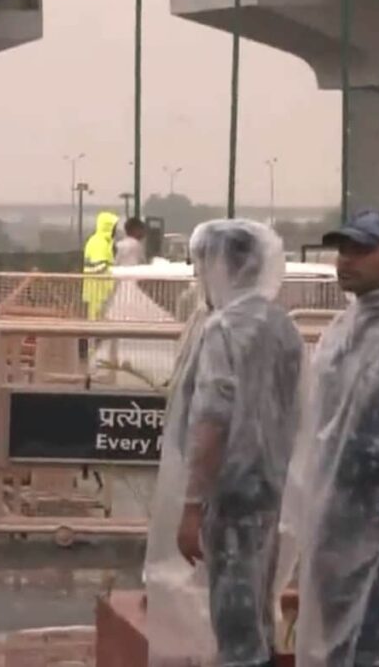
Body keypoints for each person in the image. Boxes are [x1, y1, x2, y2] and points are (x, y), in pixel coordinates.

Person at [145, 219, 303, 667]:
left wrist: (193, 504)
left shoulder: (223, 330)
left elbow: (211, 418)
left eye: (203, 265)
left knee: (234, 620)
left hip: (229, 495)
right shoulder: (282, 326)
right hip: (267, 489)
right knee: (258, 611)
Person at [287, 209, 379, 666]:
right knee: (342, 645)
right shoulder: (343, 328)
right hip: (339, 523)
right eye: (342, 249)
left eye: (362, 249)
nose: (346, 260)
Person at [82, 210, 119, 319]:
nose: (116, 231)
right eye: (114, 227)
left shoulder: (102, 241)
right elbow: (100, 267)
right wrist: (117, 272)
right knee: (97, 320)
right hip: (97, 290)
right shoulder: (100, 243)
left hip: (99, 290)